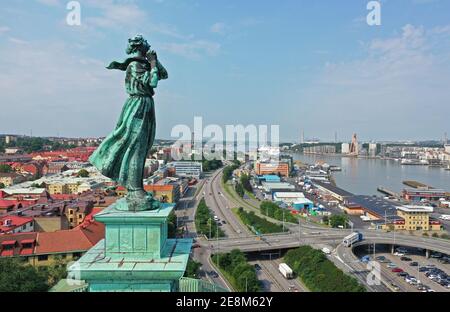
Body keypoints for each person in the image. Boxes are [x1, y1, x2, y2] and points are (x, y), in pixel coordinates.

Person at [89, 35, 168, 211]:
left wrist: (155, 61)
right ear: (141, 46)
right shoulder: (134, 65)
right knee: (135, 149)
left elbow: (164, 75)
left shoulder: (144, 64)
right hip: (138, 106)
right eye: (147, 43)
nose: (149, 44)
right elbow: (153, 81)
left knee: (143, 148)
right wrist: (153, 63)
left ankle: (136, 189)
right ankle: (134, 190)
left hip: (145, 105)